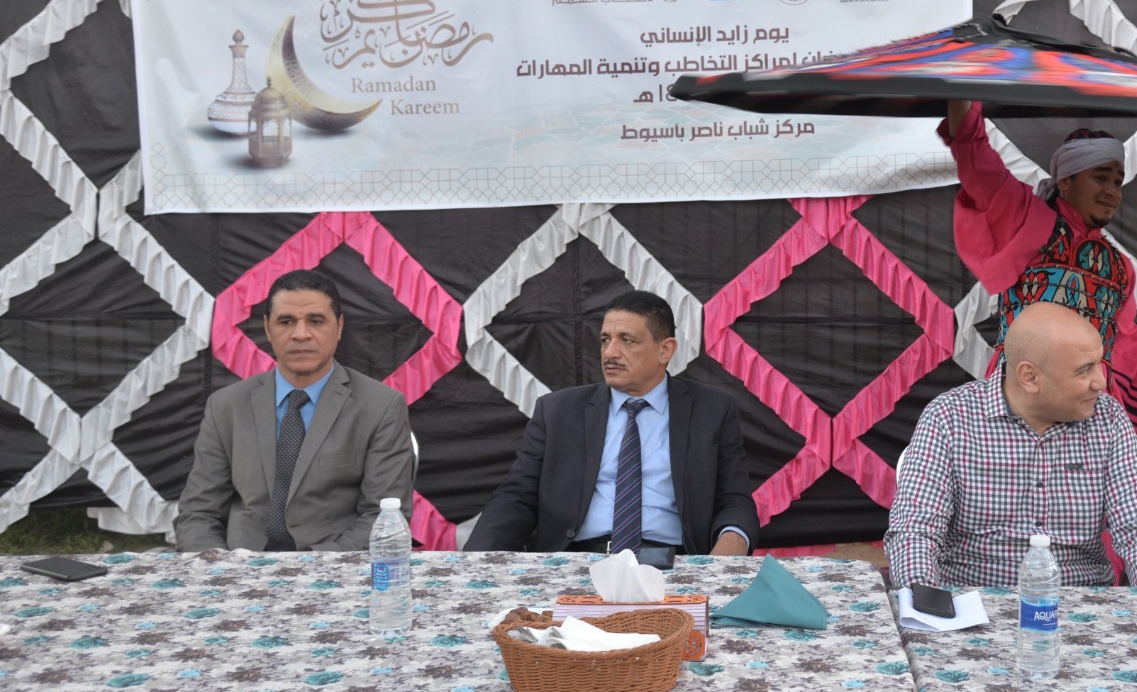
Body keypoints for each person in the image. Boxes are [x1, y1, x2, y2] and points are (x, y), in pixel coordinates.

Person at [941, 100, 1137, 448]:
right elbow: (976, 157)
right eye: (1100, 178)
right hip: (1022, 404)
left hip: (1087, 417)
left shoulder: (1119, 267)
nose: (1112, 192)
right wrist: (962, 94)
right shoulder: (1025, 219)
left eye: (1117, 181)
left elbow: (1126, 342)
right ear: (1066, 181)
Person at [885, 302, 1137, 589]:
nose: (1100, 382)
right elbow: (915, 529)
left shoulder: (1108, 418)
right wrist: (924, 602)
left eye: (1099, 365)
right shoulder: (950, 418)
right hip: (973, 602)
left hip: (1082, 605)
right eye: (1084, 370)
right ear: (1029, 377)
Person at [465, 290, 758, 555]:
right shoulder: (557, 412)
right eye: (606, 340)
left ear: (665, 350)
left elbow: (734, 499)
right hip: (575, 560)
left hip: (671, 562)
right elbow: (516, 496)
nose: (610, 353)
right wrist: (476, 562)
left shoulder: (712, 410)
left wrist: (729, 547)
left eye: (627, 341)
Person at [174, 269, 413, 552]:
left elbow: (382, 517)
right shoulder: (226, 407)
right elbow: (198, 513)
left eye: (316, 321)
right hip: (239, 568)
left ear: (339, 327)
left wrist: (308, 569)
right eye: (286, 321)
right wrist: (219, 566)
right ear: (267, 328)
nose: (301, 334)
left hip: (332, 567)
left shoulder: (380, 407)